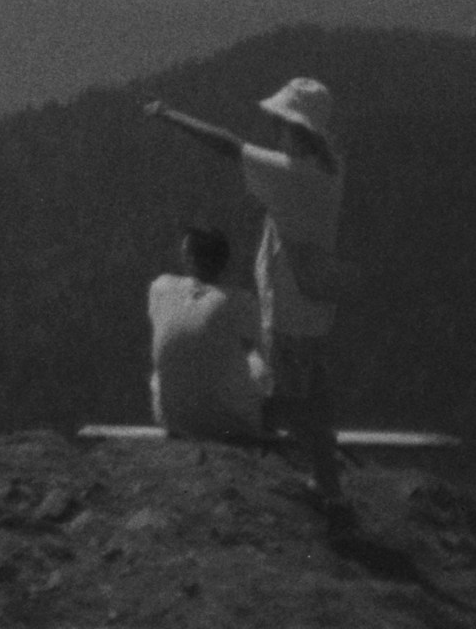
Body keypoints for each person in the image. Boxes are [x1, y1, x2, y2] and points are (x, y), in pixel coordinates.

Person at [140, 78, 350, 518]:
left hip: (291, 302)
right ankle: (325, 475)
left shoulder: (287, 174)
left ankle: (325, 488)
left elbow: (227, 145)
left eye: (280, 122)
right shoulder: (331, 168)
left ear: (294, 128)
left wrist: (169, 115)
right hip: (318, 300)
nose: (274, 129)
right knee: (312, 387)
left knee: (295, 397)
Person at [147, 225, 266, 440]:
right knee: (258, 364)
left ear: (188, 258)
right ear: (225, 263)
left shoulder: (160, 288)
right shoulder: (241, 302)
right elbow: (253, 354)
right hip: (231, 424)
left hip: (171, 419)